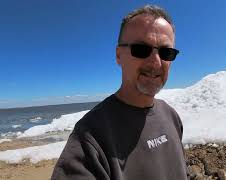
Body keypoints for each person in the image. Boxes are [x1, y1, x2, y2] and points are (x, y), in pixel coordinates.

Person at [51, 4, 189, 180]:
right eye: (141, 49)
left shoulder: (171, 116)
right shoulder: (91, 137)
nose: (155, 63)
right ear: (118, 55)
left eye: (166, 52)